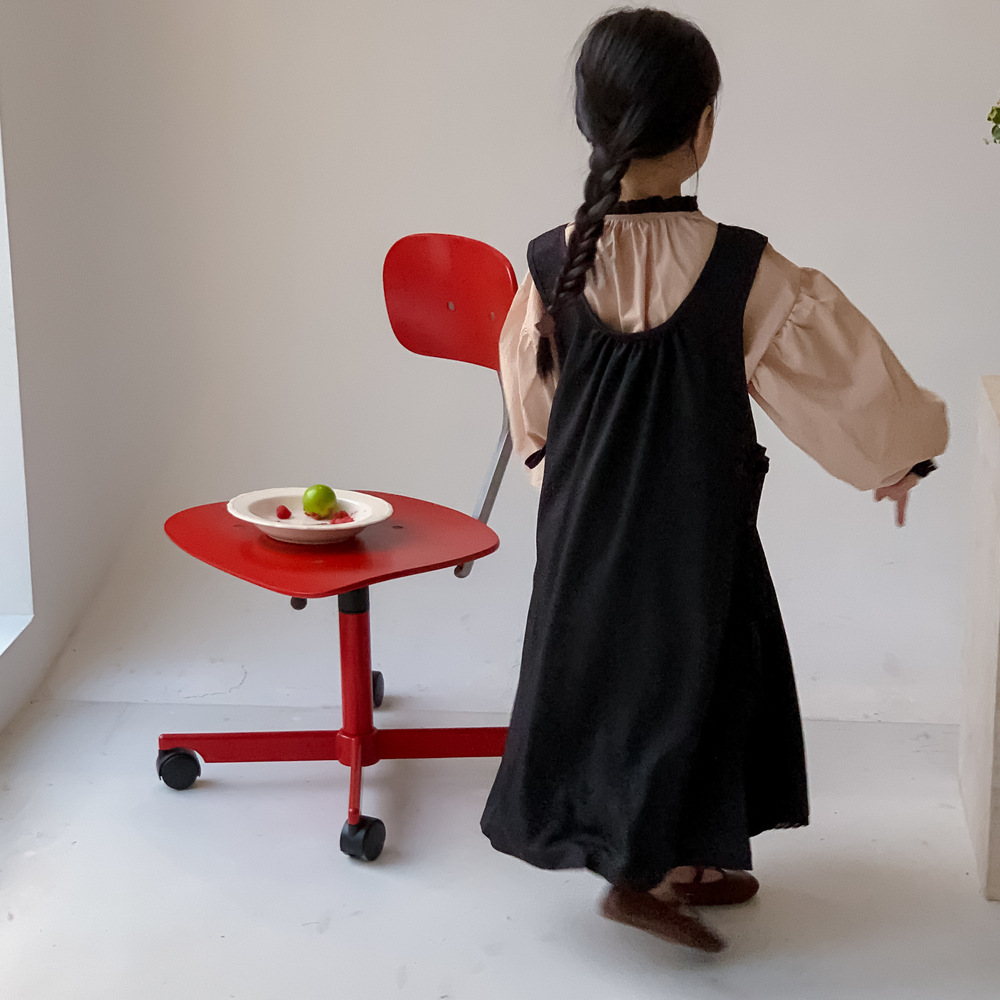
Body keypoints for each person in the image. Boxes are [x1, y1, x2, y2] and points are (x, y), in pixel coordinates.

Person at [479, 6, 949, 953]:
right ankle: (639, 874)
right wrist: (899, 456)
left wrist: (555, 480)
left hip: (587, 535)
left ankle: (675, 855)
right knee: (697, 680)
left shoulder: (552, 262)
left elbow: (532, 404)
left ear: (591, 124)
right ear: (702, 130)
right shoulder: (742, 269)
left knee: (613, 681)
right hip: (697, 532)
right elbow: (834, 378)